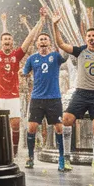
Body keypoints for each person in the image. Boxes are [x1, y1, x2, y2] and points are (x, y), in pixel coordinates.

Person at [51, 11, 94, 176]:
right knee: (66, 120)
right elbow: (61, 43)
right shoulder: (80, 51)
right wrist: (55, 25)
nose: (92, 38)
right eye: (89, 36)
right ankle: (66, 158)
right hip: (81, 93)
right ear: (86, 39)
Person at [0, 11, 41, 157]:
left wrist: (39, 21)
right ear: (1, 42)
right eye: (5, 39)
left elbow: (29, 38)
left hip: (13, 96)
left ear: (12, 42)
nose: (7, 41)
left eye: (9, 39)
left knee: (15, 124)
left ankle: (14, 152)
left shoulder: (16, 55)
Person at [21, 9, 66, 170]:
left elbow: (63, 51)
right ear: (37, 43)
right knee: (32, 127)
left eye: (45, 39)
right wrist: (22, 74)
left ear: (50, 43)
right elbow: (25, 72)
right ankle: (30, 157)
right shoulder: (32, 59)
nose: (43, 41)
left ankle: (62, 158)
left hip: (54, 98)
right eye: (40, 39)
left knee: (59, 128)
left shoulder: (56, 56)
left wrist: (55, 26)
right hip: (37, 98)